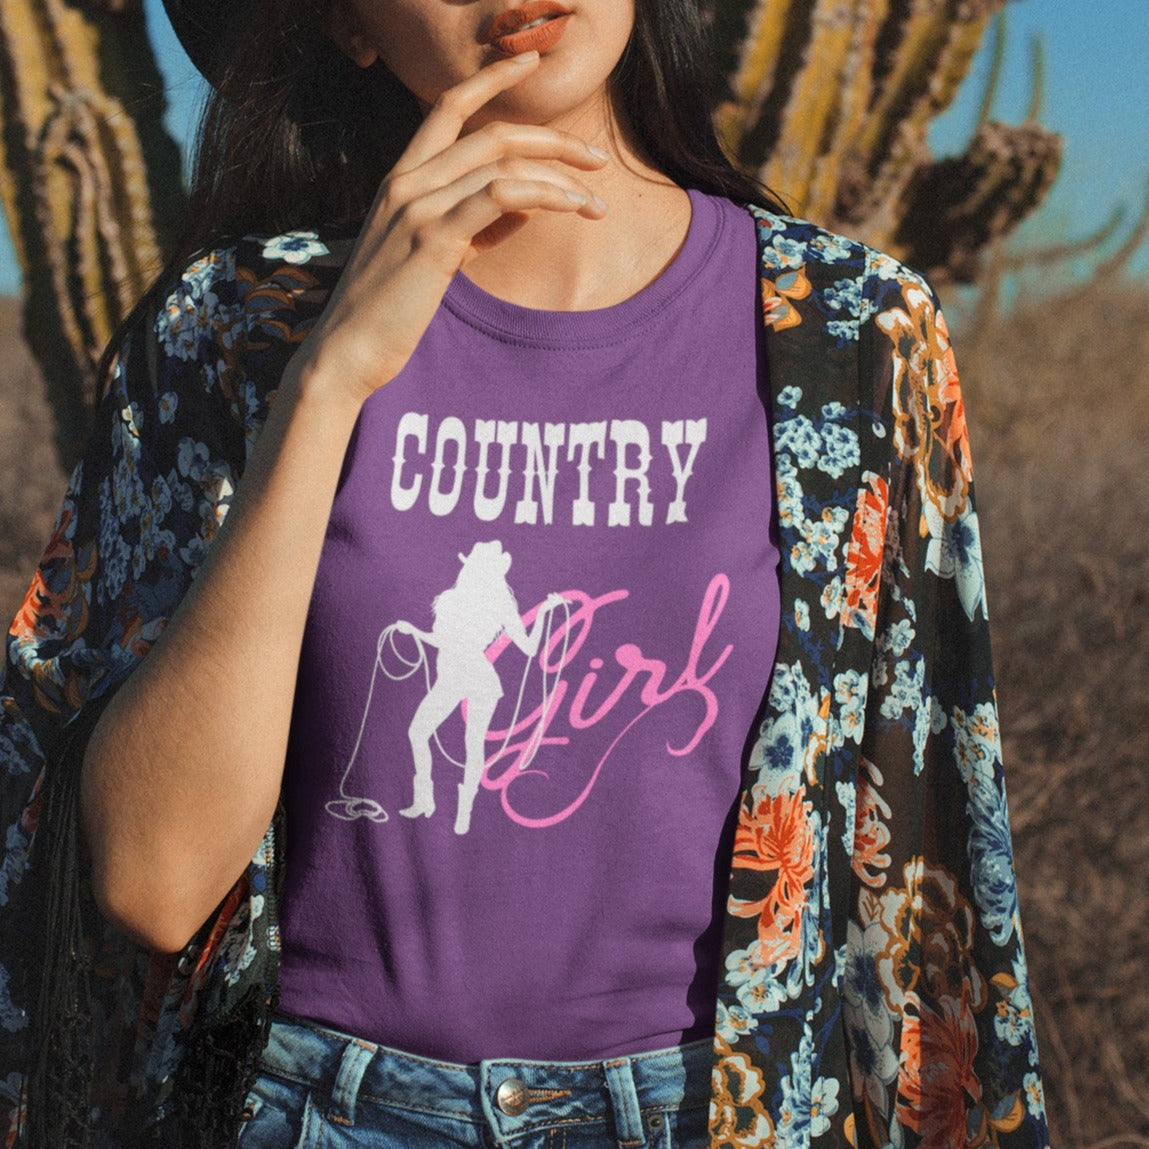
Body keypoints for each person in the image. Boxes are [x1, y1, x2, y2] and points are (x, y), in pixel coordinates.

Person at [0, 0, 1050, 1146]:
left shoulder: (854, 336)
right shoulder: (231, 333)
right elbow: (149, 881)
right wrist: (328, 381)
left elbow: (935, 863)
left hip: (716, 1114)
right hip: (320, 1111)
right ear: (353, 28)